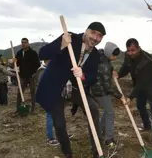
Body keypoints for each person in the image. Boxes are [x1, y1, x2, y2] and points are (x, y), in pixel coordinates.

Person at [36, 22, 106, 158]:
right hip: (54, 86)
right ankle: (67, 152)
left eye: (100, 36)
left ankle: (97, 150)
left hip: (74, 87)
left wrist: (84, 75)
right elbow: (42, 54)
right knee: (60, 124)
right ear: (86, 31)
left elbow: (93, 76)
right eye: (93, 33)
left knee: (93, 109)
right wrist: (61, 44)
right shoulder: (69, 39)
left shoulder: (95, 54)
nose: (96, 38)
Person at [113, 38, 152, 145]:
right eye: (128, 50)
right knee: (140, 105)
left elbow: (142, 82)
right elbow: (126, 67)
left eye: (133, 50)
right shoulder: (128, 56)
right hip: (140, 85)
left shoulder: (147, 60)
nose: (130, 53)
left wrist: (130, 97)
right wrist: (119, 74)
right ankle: (147, 126)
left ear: (138, 48)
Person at [90, 42, 124, 149]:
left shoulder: (102, 57)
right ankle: (109, 140)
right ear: (109, 53)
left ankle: (99, 130)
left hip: (97, 89)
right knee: (110, 113)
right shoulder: (104, 64)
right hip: (100, 91)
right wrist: (120, 96)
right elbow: (108, 86)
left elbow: (106, 70)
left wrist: (111, 71)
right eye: (113, 55)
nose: (114, 57)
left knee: (107, 111)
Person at [33, 60, 74, 146]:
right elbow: (44, 85)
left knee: (60, 117)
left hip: (57, 96)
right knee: (50, 116)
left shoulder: (53, 68)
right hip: (48, 97)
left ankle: (63, 134)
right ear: (46, 61)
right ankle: (50, 138)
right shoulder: (42, 70)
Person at [14, 38, 41, 113]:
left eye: (25, 42)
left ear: (28, 43)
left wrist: (34, 73)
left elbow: (38, 64)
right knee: (20, 92)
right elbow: (17, 64)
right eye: (22, 42)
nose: (23, 44)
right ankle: (18, 108)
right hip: (23, 76)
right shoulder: (19, 53)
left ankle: (33, 109)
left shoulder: (33, 53)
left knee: (33, 92)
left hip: (31, 76)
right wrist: (14, 61)